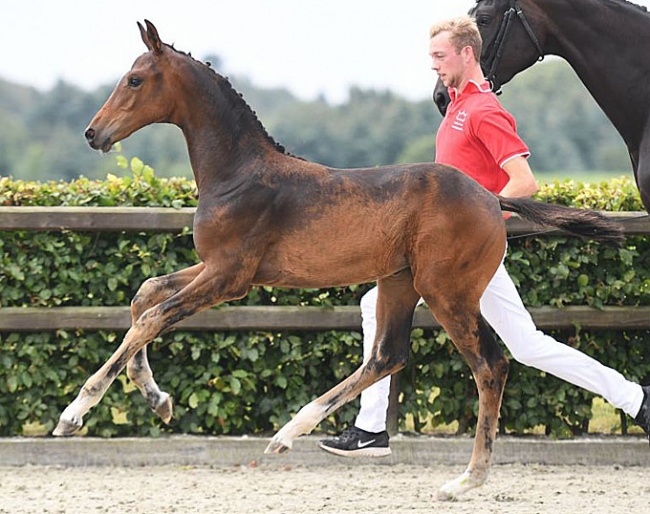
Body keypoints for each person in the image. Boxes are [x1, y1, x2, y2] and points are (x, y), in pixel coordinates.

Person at [319, 15, 650, 457]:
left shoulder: (484, 110)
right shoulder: (458, 106)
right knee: (527, 344)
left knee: (376, 308)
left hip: (464, 252)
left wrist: (472, 227)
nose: (433, 65)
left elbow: (523, 182)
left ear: (466, 53)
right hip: (453, 252)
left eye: (439, 56)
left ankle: (370, 429)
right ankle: (637, 399)